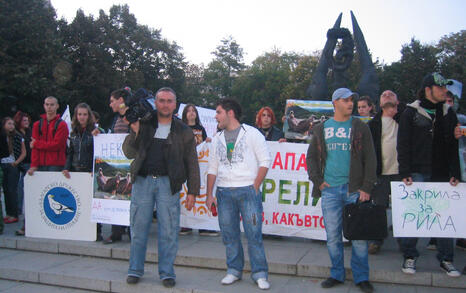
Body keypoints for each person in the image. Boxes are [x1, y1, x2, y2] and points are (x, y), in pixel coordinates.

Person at [122, 87, 200, 288]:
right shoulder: (145, 123)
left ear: (175, 105)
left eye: (169, 101)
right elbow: (128, 152)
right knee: (138, 229)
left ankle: (167, 273)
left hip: (168, 184)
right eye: (162, 100)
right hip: (142, 181)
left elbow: (192, 162)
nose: (165, 104)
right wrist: (135, 132)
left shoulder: (183, 130)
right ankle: (135, 270)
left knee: (169, 231)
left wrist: (192, 191)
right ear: (155, 102)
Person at [307, 88, 376, 292]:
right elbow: (311, 157)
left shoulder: (360, 127)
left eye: (352, 100)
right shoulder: (322, 128)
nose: (351, 103)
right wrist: (318, 181)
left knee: (360, 238)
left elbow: (371, 158)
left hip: (355, 190)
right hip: (329, 190)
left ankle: (361, 277)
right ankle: (336, 274)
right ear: (335, 102)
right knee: (333, 236)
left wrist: (366, 186)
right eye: (346, 100)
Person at [397, 72, 461, 277]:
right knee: (414, 216)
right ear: (428, 90)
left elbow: (453, 145)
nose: (445, 91)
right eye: (440, 87)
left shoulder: (449, 113)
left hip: (442, 174)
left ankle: (446, 259)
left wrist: (455, 172)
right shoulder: (410, 112)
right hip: (417, 171)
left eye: (445, 88)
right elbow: (403, 144)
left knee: (444, 218)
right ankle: (409, 256)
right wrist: (405, 171)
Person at [206, 98, 271, 290]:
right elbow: (212, 168)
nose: (216, 116)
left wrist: (255, 185)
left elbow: (265, 161)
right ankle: (234, 270)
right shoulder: (217, 138)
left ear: (230, 113)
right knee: (229, 234)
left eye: (218, 112)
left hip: (247, 191)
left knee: (254, 234)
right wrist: (209, 194)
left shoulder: (252, 133)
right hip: (224, 192)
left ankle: (260, 273)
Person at [367, 90, 404, 254]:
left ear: (398, 101)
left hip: (403, 172)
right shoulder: (373, 124)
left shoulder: (405, 119)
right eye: (383, 95)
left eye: (391, 94)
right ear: (379, 104)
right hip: (381, 172)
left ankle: (405, 243)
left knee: (403, 208)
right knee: (379, 208)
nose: (387, 94)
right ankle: (377, 240)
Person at [62, 103, 101, 240]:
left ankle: (97, 231)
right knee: (79, 203)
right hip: (75, 171)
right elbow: (70, 152)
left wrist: (94, 169)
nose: (82, 117)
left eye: (85, 114)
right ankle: (80, 231)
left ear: (89, 116)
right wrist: (67, 167)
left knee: (93, 204)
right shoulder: (73, 132)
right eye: (80, 114)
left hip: (89, 172)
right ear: (76, 116)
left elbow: (98, 153)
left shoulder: (95, 131)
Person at [180, 103, 217, 237]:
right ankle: (185, 224)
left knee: (200, 193)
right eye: (188, 111)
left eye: (193, 111)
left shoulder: (201, 128)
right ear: (185, 114)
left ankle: (203, 226)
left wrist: (207, 141)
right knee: (184, 194)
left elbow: (205, 145)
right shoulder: (181, 128)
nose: (191, 113)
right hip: (185, 165)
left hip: (200, 166)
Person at [103, 88, 131, 244]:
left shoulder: (131, 115)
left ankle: (131, 231)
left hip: (130, 164)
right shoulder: (115, 119)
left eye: (113, 100)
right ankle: (116, 232)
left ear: (121, 100)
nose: (110, 104)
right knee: (117, 195)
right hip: (118, 163)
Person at [1, 117, 26, 224]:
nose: (11, 126)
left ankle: (14, 214)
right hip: (3, 164)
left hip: (13, 165)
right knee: (6, 190)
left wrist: (16, 162)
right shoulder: (2, 136)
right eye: (9, 124)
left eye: (12, 124)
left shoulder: (18, 136)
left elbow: (23, 152)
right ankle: (9, 214)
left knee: (12, 190)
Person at [13, 111, 32, 215]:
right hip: (21, 163)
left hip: (30, 162)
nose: (26, 122)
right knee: (20, 187)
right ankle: (18, 208)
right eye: (24, 120)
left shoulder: (29, 132)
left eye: (27, 120)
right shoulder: (16, 133)